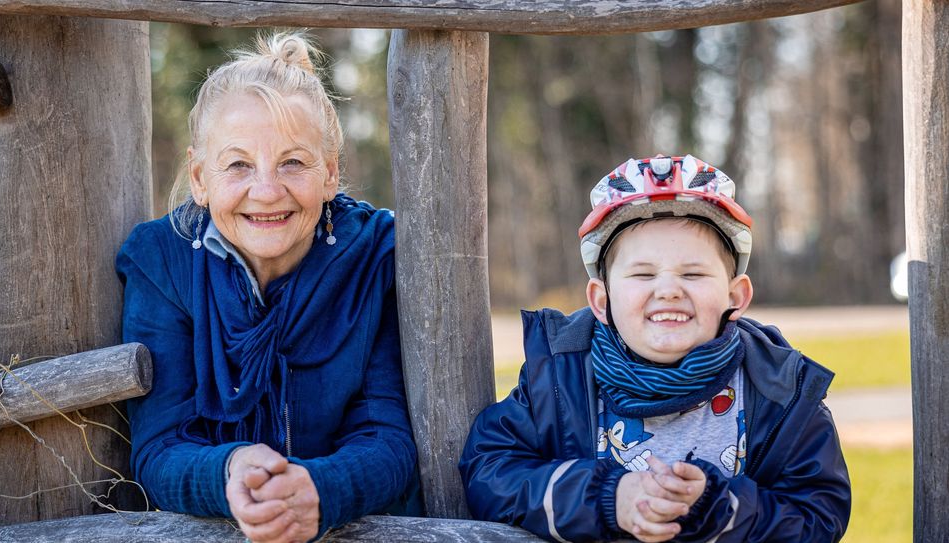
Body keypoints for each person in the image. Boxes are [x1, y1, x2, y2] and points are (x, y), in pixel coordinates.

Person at [117, 32, 419, 543]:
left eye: (293, 162)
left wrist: (318, 489)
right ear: (199, 176)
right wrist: (231, 468)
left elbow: (388, 436)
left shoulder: (377, 254)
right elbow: (159, 447)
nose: (266, 190)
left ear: (330, 173)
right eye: (238, 164)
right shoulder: (159, 261)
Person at [459, 154, 851, 542]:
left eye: (693, 273)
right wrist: (607, 498)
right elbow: (490, 470)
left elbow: (819, 515)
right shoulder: (560, 377)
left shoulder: (780, 391)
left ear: (736, 295)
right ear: (601, 301)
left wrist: (714, 508)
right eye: (643, 274)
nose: (668, 290)